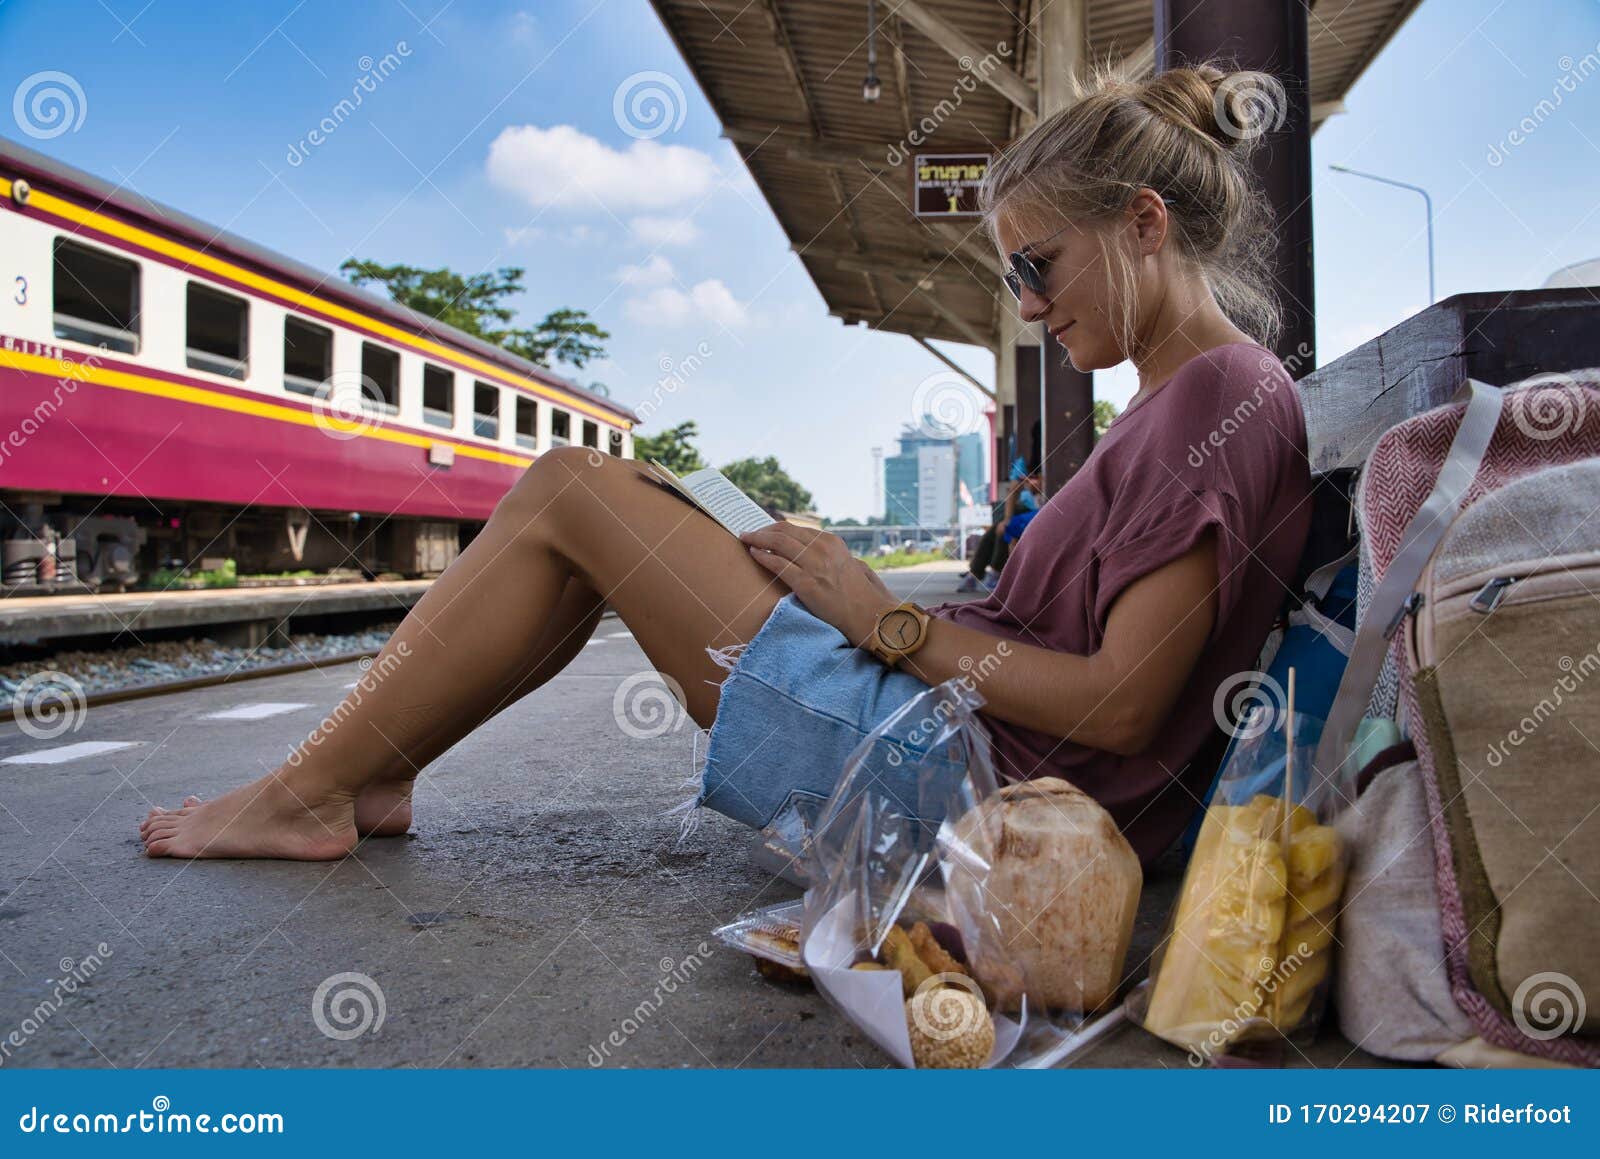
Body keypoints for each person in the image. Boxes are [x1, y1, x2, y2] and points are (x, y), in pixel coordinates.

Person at [140, 61, 1311, 868]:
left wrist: (881, 621)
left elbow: (1120, 703)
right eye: (1013, 277)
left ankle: (308, 793)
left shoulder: (1215, 395)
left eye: (1037, 267)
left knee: (569, 490)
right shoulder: (1186, 397)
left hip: (963, 782)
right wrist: (854, 599)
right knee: (624, 508)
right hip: (950, 740)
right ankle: (371, 773)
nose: (1025, 304)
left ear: (1145, 225)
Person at [957, 469, 1042, 592]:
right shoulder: (1022, 468)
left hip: (1038, 513)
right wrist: (1007, 520)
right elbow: (1013, 490)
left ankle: (991, 573)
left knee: (1007, 527)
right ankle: (980, 574)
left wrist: (1007, 521)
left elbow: (1015, 491)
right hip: (1027, 511)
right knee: (1000, 527)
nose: (1032, 481)